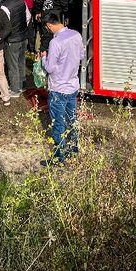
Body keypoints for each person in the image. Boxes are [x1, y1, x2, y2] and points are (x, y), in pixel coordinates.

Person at [40, 12, 84, 165]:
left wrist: (44, 58)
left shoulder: (55, 42)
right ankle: (73, 150)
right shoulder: (76, 35)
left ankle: (59, 157)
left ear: (49, 25)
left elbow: (50, 68)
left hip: (58, 88)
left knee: (58, 124)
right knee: (71, 120)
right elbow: (81, 56)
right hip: (73, 86)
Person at [0, 0, 29, 97]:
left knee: (13, 65)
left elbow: (4, 25)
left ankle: (15, 89)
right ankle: (22, 84)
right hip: (23, 36)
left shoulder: (4, 7)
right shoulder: (21, 1)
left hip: (12, 39)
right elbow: (28, 17)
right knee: (21, 61)